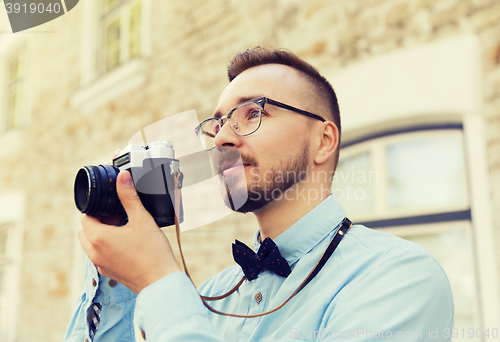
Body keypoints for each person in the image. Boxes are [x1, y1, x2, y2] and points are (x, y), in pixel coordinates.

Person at [65, 47, 453, 342]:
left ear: (323, 140)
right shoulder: (209, 297)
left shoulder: (399, 277)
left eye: (253, 113)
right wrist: (115, 278)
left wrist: (159, 281)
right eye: (216, 124)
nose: (222, 138)